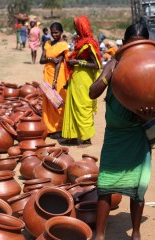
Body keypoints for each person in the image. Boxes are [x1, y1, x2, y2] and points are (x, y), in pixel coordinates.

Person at [89, 23, 155, 240]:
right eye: (131, 42)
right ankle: (99, 237)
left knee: (139, 185)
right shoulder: (114, 64)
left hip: (137, 134)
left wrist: (146, 114)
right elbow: (93, 92)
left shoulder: (152, 66)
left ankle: (136, 234)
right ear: (125, 43)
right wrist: (110, 73)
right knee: (105, 185)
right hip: (115, 135)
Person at [61, 15, 101, 147]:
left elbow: (96, 65)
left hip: (84, 80)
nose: (74, 28)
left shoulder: (89, 44)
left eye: (75, 25)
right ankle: (73, 136)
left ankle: (86, 138)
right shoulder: (79, 42)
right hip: (76, 79)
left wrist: (77, 62)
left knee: (83, 107)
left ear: (81, 27)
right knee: (73, 107)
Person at [40, 22, 69, 139]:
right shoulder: (47, 43)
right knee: (48, 101)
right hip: (47, 75)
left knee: (58, 100)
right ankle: (50, 128)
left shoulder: (63, 45)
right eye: (52, 32)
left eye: (56, 32)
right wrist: (51, 59)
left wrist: (55, 80)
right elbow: (41, 60)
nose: (54, 34)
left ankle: (60, 128)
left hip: (58, 76)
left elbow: (59, 63)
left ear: (61, 32)